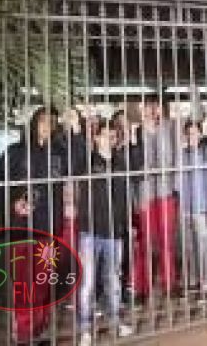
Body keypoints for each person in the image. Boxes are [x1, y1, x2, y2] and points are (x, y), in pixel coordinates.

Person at [0, 105, 70, 343]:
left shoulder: (60, 153)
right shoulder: (15, 152)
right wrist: (13, 204)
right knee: (24, 281)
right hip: (21, 229)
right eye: (43, 120)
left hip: (49, 227)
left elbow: (79, 165)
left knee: (44, 279)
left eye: (52, 122)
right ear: (34, 123)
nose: (47, 126)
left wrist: (74, 132)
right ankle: (24, 332)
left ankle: (39, 328)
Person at [76, 119, 133, 345]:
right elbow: (74, 162)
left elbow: (125, 195)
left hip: (114, 231)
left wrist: (127, 223)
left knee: (114, 280)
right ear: (96, 138)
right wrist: (78, 131)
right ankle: (85, 328)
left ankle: (115, 322)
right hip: (90, 230)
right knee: (88, 282)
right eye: (105, 135)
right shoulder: (87, 160)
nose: (109, 140)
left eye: (113, 136)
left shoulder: (120, 162)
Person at [130, 98, 179, 298]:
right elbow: (135, 164)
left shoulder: (169, 128)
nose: (150, 111)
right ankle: (141, 286)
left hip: (166, 190)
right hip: (145, 191)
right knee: (145, 241)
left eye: (153, 107)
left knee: (167, 239)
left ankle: (169, 283)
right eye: (146, 107)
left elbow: (172, 157)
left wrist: (176, 187)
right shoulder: (136, 132)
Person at [177, 120, 207, 295]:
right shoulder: (182, 154)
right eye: (189, 134)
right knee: (189, 245)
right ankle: (193, 278)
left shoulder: (206, 153)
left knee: (203, 243)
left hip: (202, 205)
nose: (192, 137)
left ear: (200, 135)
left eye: (195, 133)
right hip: (186, 206)